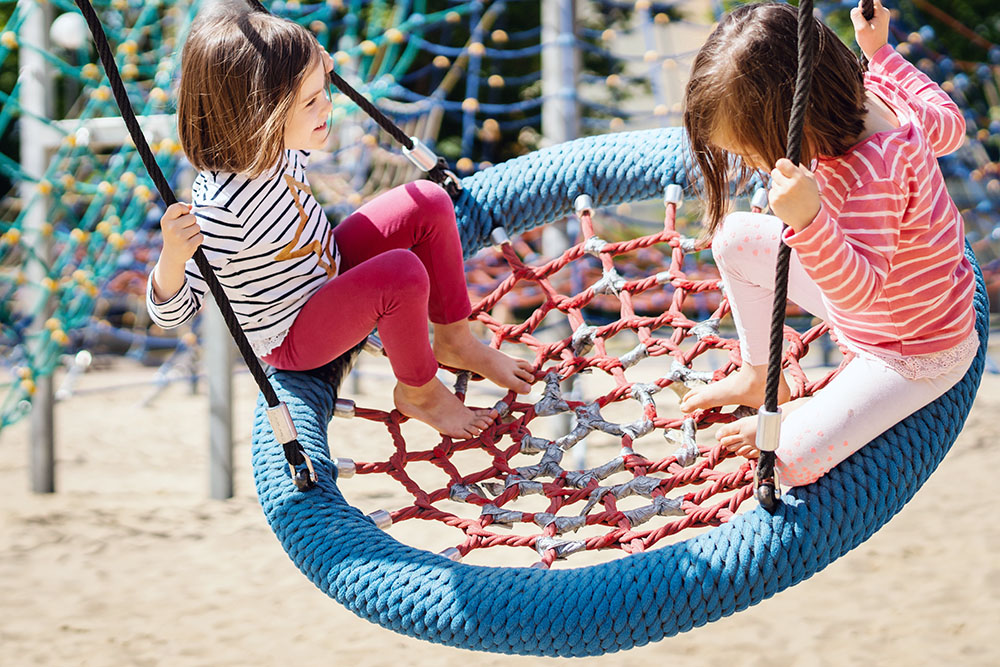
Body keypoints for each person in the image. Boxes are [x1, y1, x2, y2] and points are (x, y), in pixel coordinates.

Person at [145, 1, 534, 439]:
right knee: (400, 274)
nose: (327, 106)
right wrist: (172, 257)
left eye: (324, 90)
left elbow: (269, 58)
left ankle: (455, 341)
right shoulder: (221, 213)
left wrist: (313, 68)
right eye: (312, 100)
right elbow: (172, 314)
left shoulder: (277, 146)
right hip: (294, 334)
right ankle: (418, 392)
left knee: (427, 199)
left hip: (326, 268)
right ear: (260, 116)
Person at [679, 0, 978, 486]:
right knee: (734, 238)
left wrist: (811, 221)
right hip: (881, 302)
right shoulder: (876, 88)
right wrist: (881, 53)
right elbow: (950, 126)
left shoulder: (868, 174)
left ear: (801, 115)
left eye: (755, 151)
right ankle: (762, 376)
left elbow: (857, 290)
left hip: (908, 348)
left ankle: (805, 411)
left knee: (791, 462)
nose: (757, 165)